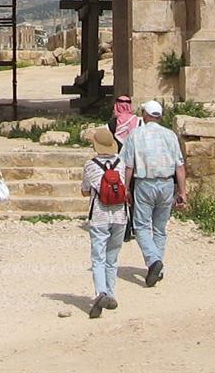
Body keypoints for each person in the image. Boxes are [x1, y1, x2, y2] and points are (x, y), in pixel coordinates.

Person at [116, 100, 185, 287]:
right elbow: (179, 166)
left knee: (141, 227)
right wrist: (183, 192)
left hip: (144, 183)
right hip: (167, 184)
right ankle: (157, 268)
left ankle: (153, 261)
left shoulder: (135, 134)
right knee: (160, 229)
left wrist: (125, 188)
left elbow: (128, 165)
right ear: (160, 116)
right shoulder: (170, 135)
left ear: (145, 115)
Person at [81, 125, 131, 318]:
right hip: (120, 215)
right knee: (112, 257)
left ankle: (100, 292)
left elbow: (85, 190)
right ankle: (110, 294)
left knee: (98, 257)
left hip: (99, 215)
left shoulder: (90, 165)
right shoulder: (120, 163)